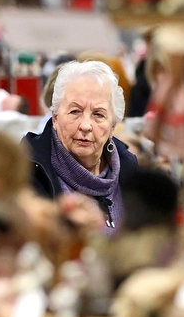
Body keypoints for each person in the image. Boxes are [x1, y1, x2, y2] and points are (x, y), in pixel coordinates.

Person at [23, 60, 137, 229]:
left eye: (98, 114)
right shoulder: (28, 168)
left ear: (112, 126)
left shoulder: (130, 168)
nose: (85, 126)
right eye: (75, 111)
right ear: (55, 117)